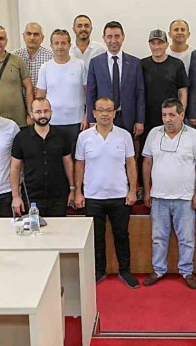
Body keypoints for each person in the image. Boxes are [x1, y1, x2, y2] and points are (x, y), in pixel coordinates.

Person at [142, 99, 196, 290]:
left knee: (186, 238)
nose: (167, 119)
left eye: (172, 115)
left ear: (182, 115)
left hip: (185, 198)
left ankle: (186, 271)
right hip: (159, 197)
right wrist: (147, 191)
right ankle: (158, 270)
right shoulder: (154, 133)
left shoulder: (193, 135)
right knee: (158, 238)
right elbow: (147, 163)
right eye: (164, 115)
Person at [75, 97, 139, 289]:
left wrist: (132, 190)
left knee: (122, 235)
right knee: (96, 237)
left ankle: (125, 270)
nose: (105, 114)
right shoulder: (84, 137)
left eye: (109, 110)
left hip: (119, 195)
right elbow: (79, 165)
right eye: (101, 110)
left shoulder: (124, 136)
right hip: (93, 196)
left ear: (114, 114)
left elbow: (131, 164)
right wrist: (78, 192)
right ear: (94, 113)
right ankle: (98, 270)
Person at [10, 98, 74, 218]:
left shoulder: (62, 136)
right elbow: (15, 168)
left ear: (51, 112)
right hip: (31, 196)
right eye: (38, 112)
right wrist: (15, 196)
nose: (43, 115)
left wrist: (72, 189)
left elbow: (68, 163)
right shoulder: (21, 138)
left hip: (59, 196)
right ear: (31, 114)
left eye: (46, 111)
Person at [86, 21, 145, 136]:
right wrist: (92, 120)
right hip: (103, 118)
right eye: (109, 37)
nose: (113, 41)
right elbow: (91, 93)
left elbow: (140, 93)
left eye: (117, 36)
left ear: (123, 37)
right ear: (104, 38)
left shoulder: (135, 63)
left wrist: (140, 120)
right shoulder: (95, 63)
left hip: (128, 118)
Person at [36, 29, 88, 152]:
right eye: (56, 43)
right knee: (55, 158)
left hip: (77, 122)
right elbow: (40, 97)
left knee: (76, 157)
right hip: (52, 122)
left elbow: (89, 94)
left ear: (69, 45)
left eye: (63, 43)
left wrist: (87, 116)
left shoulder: (80, 65)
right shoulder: (45, 68)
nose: (60, 47)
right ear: (51, 46)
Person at [140, 29, 188, 139]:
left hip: (171, 117)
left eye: (160, 43)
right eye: (153, 43)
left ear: (166, 45)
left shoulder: (177, 64)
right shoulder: (142, 65)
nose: (156, 47)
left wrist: (180, 114)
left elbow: (183, 92)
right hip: (148, 118)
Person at [14, 22, 54, 89]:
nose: (32, 38)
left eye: (36, 34)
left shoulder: (51, 57)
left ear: (42, 38)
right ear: (23, 36)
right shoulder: (15, 56)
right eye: (28, 34)